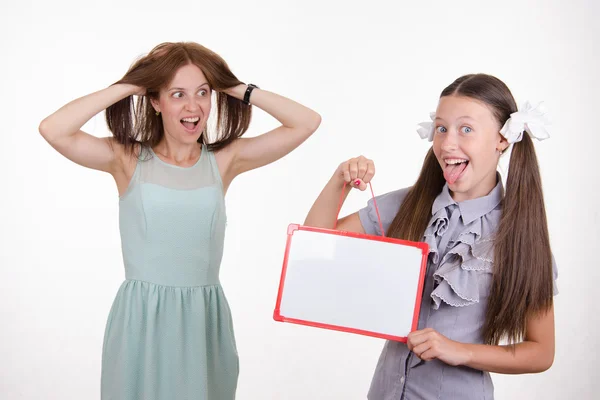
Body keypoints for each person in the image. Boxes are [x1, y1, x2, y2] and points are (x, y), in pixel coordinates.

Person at [39, 41, 321, 400]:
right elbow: (53, 129)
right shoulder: (127, 159)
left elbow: (306, 122)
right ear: (155, 101)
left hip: (203, 323)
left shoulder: (223, 160)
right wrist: (133, 84)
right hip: (141, 321)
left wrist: (229, 84)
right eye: (177, 94)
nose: (193, 107)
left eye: (203, 93)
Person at [304, 73, 557, 399]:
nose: (448, 143)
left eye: (466, 129)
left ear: (502, 139)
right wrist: (340, 179)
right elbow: (313, 242)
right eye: (441, 128)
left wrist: (460, 351)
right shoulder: (407, 206)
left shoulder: (518, 235)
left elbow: (541, 352)